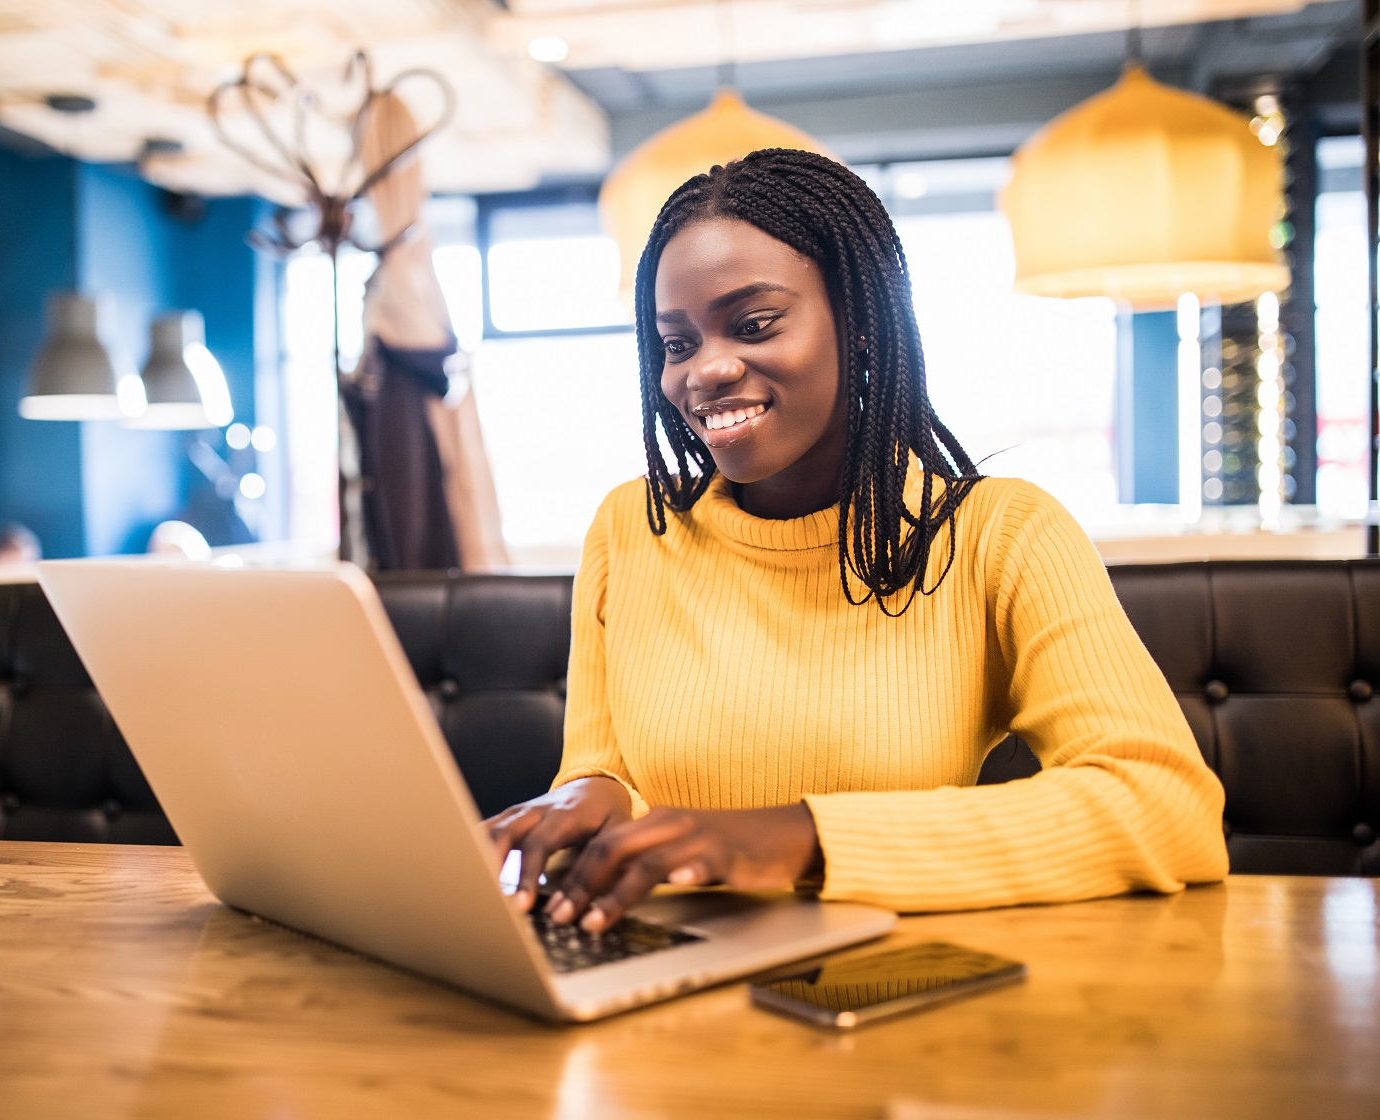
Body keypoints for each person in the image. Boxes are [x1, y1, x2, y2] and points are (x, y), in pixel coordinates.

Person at [486, 149, 1226, 931]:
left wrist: (801, 838)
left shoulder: (1001, 535)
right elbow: (607, 770)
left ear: (863, 322)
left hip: (887, 988)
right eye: (677, 344)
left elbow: (1164, 805)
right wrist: (586, 798)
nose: (704, 371)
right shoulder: (631, 527)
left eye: (753, 324)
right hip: (667, 975)